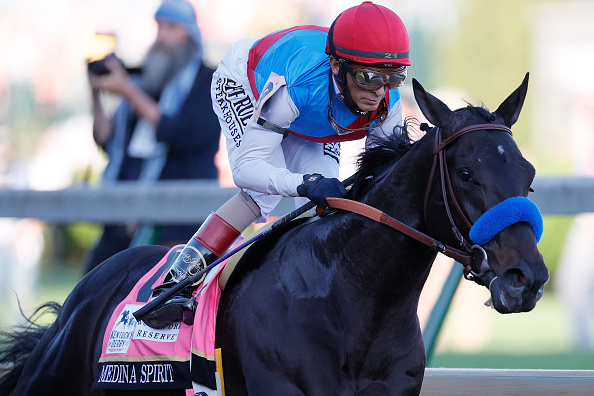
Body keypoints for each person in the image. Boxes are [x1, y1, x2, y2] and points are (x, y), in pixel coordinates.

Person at [143, 1, 411, 328]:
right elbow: (247, 170)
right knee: (261, 196)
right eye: (368, 77)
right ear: (338, 66)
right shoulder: (298, 84)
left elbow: (383, 178)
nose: (378, 92)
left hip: (309, 113)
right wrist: (302, 183)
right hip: (246, 83)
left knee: (324, 208)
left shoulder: (387, 103)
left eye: (392, 79)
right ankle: (175, 282)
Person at [85, 0, 221, 275]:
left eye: (171, 27)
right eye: (158, 27)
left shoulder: (208, 80)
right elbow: (106, 140)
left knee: (160, 306)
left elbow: (184, 134)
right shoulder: (146, 82)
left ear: (190, 35)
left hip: (175, 226)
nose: (161, 36)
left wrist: (129, 91)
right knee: (87, 300)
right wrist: (96, 91)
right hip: (121, 220)